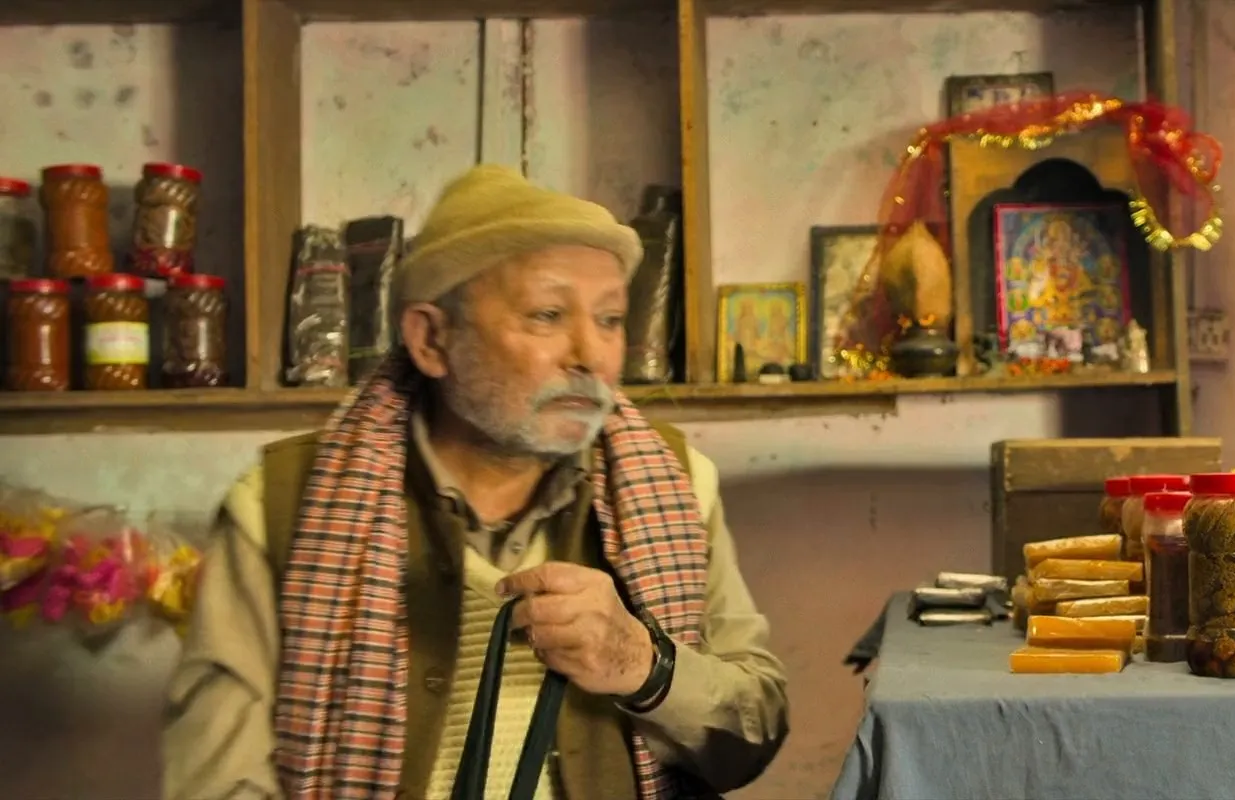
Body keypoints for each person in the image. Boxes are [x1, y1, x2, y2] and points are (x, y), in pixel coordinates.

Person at [163, 165, 790, 800]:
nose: (590, 355)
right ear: (432, 339)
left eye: (609, 319)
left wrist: (643, 665)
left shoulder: (675, 488)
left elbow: (753, 735)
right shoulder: (281, 505)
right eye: (547, 314)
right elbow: (218, 783)